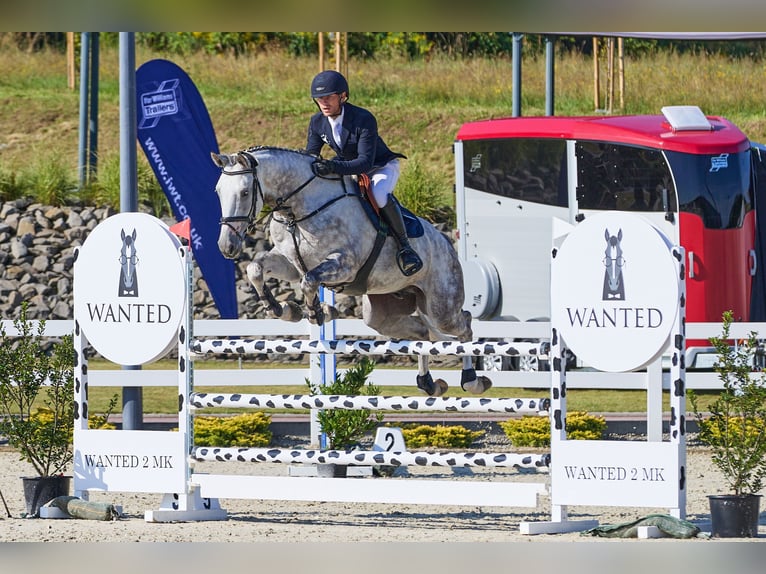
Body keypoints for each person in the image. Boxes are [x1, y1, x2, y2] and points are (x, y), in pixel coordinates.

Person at [305, 70, 423, 276]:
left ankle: (405, 246)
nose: (323, 102)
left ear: (343, 96)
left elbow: (364, 162)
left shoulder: (363, 119)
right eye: (319, 98)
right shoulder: (317, 122)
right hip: (346, 166)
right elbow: (311, 156)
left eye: (328, 97)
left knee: (377, 192)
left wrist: (332, 167)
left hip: (379, 166)